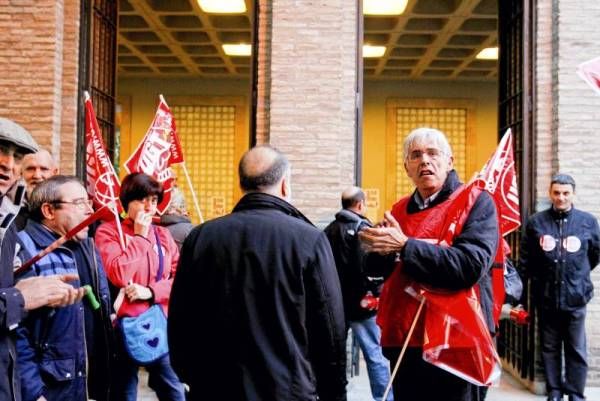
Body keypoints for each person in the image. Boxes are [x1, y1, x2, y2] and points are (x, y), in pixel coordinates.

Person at [168, 145, 347, 401]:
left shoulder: (202, 237)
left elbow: (180, 320)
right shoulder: (308, 239)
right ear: (285, 184)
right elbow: (330, 328)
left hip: (214, 386)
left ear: (242, 184)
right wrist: (334, 391)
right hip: (288, 389)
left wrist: (190, 375)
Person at [359, 127, 498, 401]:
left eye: (433, 153)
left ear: (450, 161)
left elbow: (469, 265)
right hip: (406, 339)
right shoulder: (398, 210)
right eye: (416, 155)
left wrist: (405, 246)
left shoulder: (476, 202)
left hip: (456, 340)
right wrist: (377, 250)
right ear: (407, 168)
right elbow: (376, 270)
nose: (425, 161)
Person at [0, 117, 83, 401]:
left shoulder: (7, 224)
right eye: (1, 150)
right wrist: (19, 298)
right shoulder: (21, 232)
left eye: (17, 156)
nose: (8, 164)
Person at [14, 175, 114, 401]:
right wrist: (33, 393)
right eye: (79, 203)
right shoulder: (25, 251)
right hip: (51, 389)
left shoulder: (86, 245)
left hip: (88, 383)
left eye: (89, 202)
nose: (89, 210)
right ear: (49, 211)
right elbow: (15, 333)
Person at [95, 172, 185, 401]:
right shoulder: (109, 231)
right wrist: (140, 238)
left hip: (158, 324)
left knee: (173, 390)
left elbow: (181, 279)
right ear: (127, 202)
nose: (148, 206)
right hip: (122, 327)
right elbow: (117, 273)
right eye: (141, 200)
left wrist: (152, 291)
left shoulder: (163, 235)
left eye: (153, 201)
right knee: (123, 391)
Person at [520, 173, 600, 401]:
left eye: (566, 193)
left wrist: (576, 274)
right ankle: (554, 391)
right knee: (549, 347)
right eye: (556, 193)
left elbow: (594, 255)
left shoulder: (588, 222)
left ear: (573, 194)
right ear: (550, 193)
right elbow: (527, 261)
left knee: (576, 348)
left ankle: (575, 393)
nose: (561, 198)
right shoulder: (537, 222)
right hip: (546, 297)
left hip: (576, 298)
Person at [324, 186, 392, 401]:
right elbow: (369, 268)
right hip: (362, 304)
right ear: (361, 204)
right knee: (375, 355)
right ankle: (383, 398)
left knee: (335, 356)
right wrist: (378, 293)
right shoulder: (363, 229)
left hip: (335, 305)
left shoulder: (328, 230)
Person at [14, 149, 59, 230]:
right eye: (30, 169)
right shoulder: (9, 207)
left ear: (54, 173)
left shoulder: (66, 207)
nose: (37, 176)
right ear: (21, 172)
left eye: (44, 169)